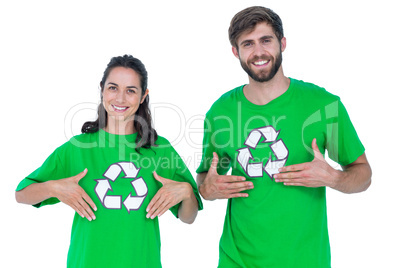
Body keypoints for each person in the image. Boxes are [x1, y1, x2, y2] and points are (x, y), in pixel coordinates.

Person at [196, 6, 371, 268]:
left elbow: (363, 174)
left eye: (266, 40)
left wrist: (334, 177)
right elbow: (207, 178)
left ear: (282, 43)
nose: (258, 52)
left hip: (304, 260)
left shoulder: (323, 106)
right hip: (236, 259)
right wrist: (206, 190)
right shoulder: (220, 112)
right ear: (236, 52)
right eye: (248, 43)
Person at [15, 54, 202, 268]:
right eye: (113, 88)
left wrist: (187, 191)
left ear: (143, 96)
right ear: (102, 89)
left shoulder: (160, 149)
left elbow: (188, 217)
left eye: (131, 90)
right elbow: (21, 195)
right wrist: (54, 188)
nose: (120, 99)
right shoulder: (78, 148)